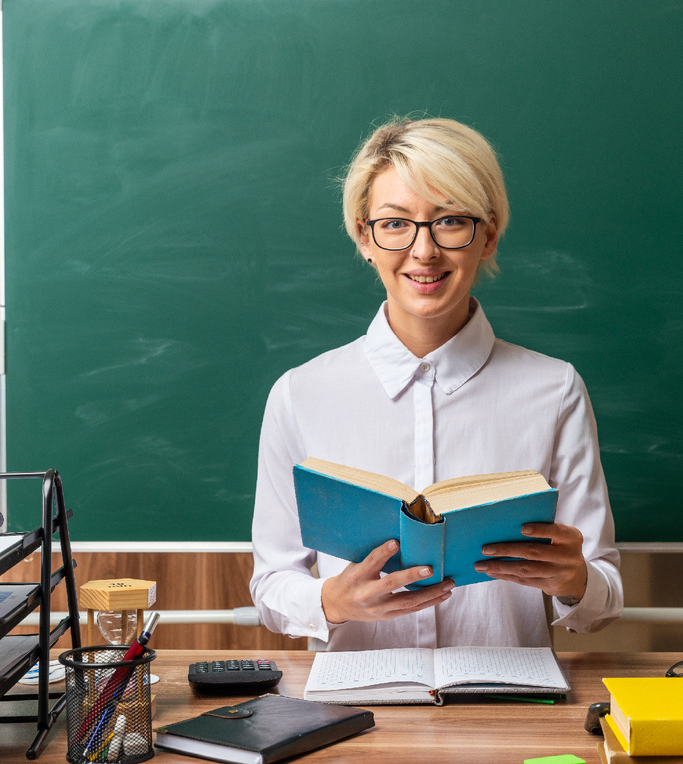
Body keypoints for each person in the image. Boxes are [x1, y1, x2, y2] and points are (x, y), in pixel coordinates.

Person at [249, 116, 623, 651]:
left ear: (487, 236)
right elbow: (271, 584)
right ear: (364, 236)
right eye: (396, 224)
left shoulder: (554, 390)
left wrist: (576, 581)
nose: (423, 251)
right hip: (353, 712)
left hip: (505, 710)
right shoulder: (300, 394)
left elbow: (604, 593)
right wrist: (330, 601)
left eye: (449, 221)